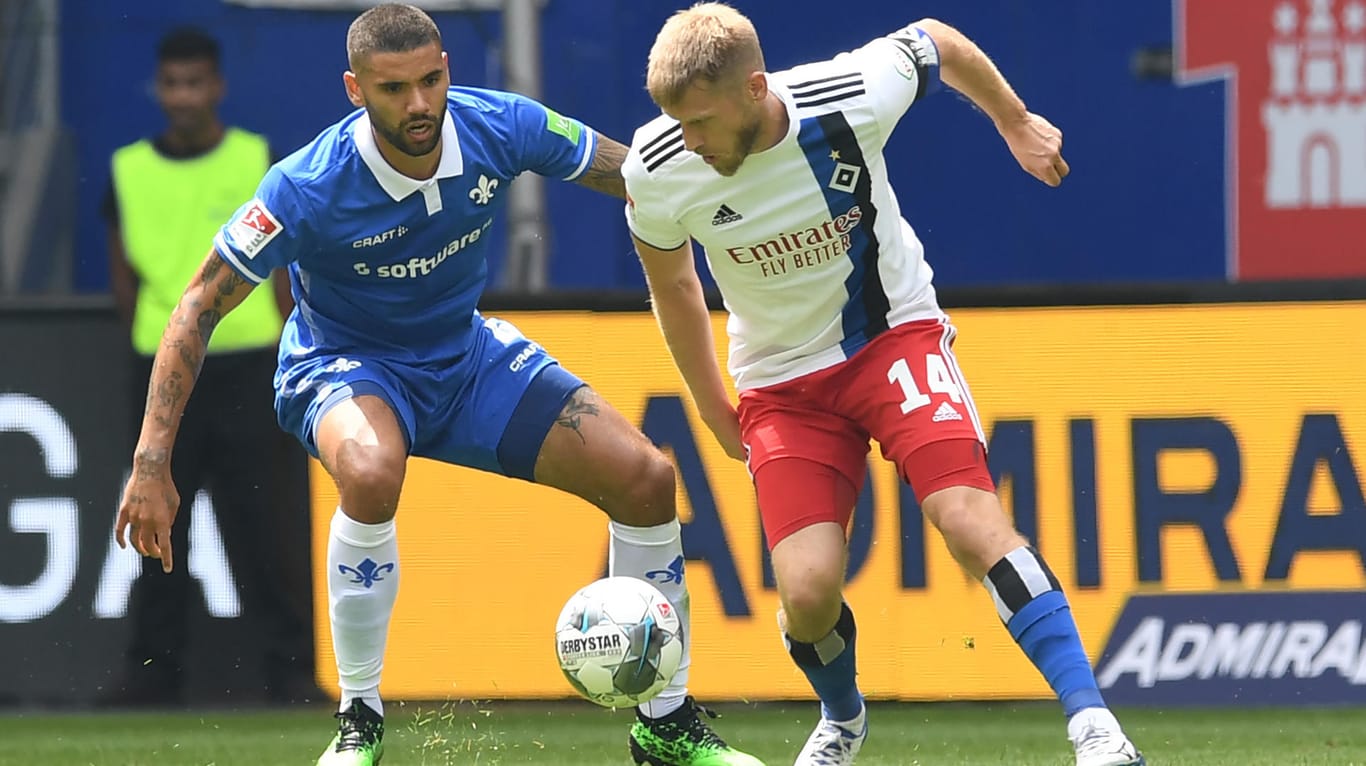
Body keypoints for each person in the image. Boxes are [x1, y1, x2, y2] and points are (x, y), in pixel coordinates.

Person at [113, 5, 764, 766]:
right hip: (343, 363)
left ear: (448, 67)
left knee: (648, 480)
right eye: (394, 90)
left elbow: (634, 175)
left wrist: (748, 197)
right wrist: (152, 462)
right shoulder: (306, 186)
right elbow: (196, 306)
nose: (419, 105)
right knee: (369, 468)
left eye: (431, 80)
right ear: (355, 89)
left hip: (464, 357)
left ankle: (667, 724)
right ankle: (360, 724)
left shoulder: (501, 125)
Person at [622, 5, 1145, 766]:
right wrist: (711, 408)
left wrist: (1015, 119)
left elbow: (937, 39)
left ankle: (1096, 728)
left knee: (967, 519)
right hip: (779, 384)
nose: (689, 141)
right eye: (676, 121)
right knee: (806, 595)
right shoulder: (657, 164)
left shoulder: (846, 95)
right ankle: (843, 719)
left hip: (890, 340)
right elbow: (673, 287)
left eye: (700, 121)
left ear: (754, 89)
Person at [102, 25, 315, 707]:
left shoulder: (256, 159)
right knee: (158, 524)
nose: (184, 97)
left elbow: (284, 274)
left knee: (272, 530)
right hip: (165, 376)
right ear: (158, 89)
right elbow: (124, 279)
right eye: (172, 84)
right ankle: (153, 677)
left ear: (217, 87)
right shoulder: (127, 170)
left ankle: (290, 673)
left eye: (196, 83)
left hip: (252, 366)